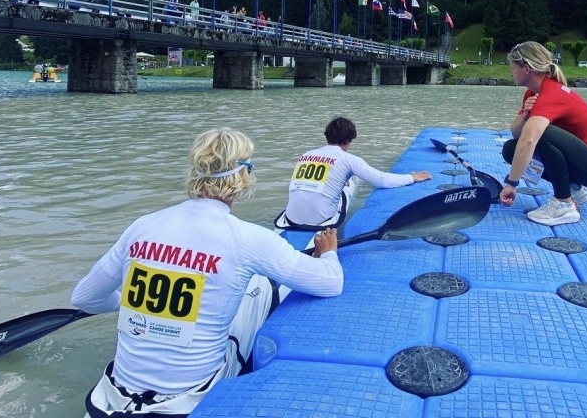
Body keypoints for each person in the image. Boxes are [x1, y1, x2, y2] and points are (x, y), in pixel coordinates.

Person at [72, 127, 343, 416]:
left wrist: (126, 303)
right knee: (262, 285)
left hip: (119, 389)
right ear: (243, 176)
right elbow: (330, 283)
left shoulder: (143, 225)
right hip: (191, 395)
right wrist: (328, 251)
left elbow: (84, 298)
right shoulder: (247, 238)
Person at [500, 41, 587, 227]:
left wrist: (511, 184)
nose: (510, 72)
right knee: (510, 149)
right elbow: (516, 134)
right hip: (585, 162)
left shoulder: (551, 94)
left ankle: (564, 203)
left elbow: (529, 140)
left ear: (526, 68)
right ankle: (573, 188)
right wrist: (526, 115)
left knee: (543, 134)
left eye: (512, 67)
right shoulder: (534, 93)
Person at [276, 117, 432, 230]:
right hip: (320, 220)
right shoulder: (349, 159)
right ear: (349, 139)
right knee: (353, 178)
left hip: (291, 217)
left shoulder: (305, 155)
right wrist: (412, 177)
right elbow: (382, 180)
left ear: (327, 135)